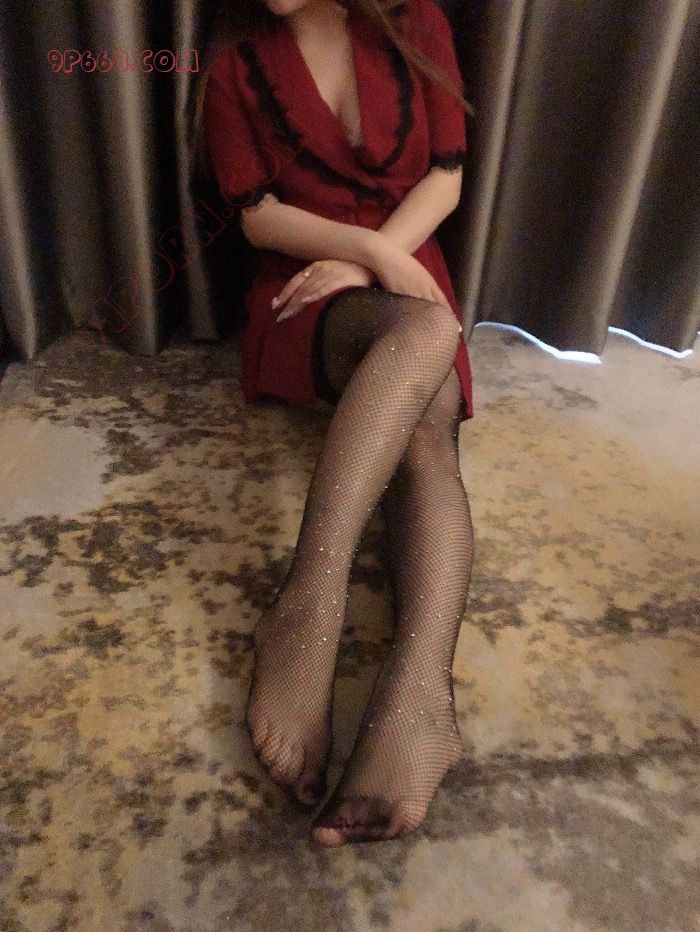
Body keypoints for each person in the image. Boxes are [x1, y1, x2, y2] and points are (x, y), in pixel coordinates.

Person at [195, 0, 476, 846]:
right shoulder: (235, 59)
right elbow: (255, 214)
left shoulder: (416, 19)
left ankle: (419, 693)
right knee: (425, 336)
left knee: (427, 415)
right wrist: (362, 259)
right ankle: (312, 602)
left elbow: (447, 176)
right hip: (304, 286)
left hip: (407, 261)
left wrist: (383, 255)